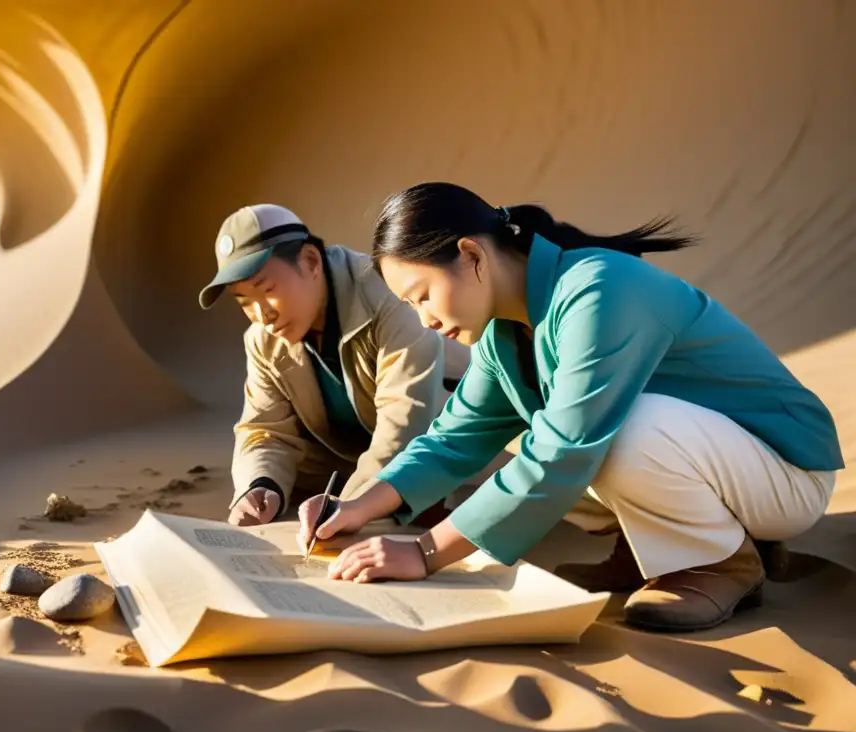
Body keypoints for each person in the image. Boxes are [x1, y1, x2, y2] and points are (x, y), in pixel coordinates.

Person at [297, 181, 843, 633]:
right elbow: (454, 437)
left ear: (470, 255)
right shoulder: (502, 335)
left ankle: (718, 560)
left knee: (613, 430)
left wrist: (426, 553)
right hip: (721, 468)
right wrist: (361, 507)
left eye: (422, 295)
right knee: (532, 432)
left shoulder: (598, 288)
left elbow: (564, 448)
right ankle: (657, 545)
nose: (425, 322)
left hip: (785, 475)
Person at [199, 203, 470, 528]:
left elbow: (404, 426)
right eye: (244, 302)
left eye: (267, 290)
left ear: (311, 261)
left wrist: (350, 507)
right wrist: (260, 485)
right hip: (346, 470)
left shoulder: (390, 296)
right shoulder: (262, 339)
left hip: (436, 457)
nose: (262, 315)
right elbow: (265, 429)